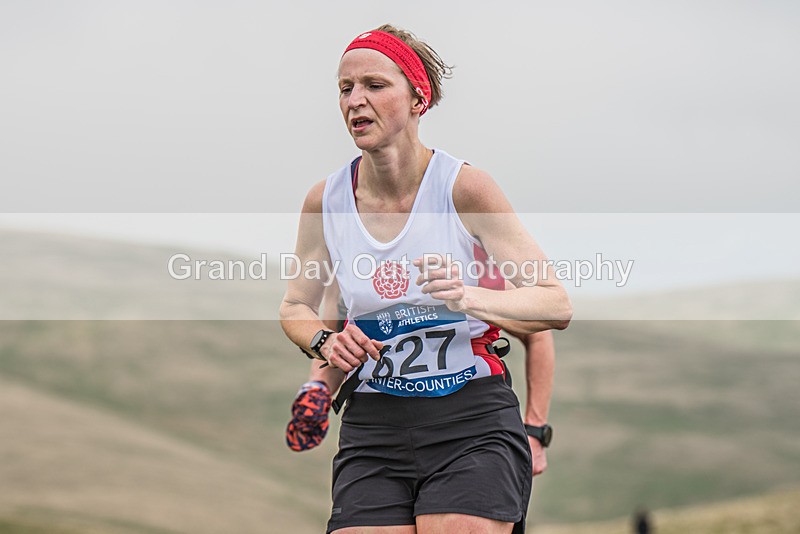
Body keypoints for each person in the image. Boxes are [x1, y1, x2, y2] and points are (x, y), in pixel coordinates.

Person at [279, 24, 572, 534]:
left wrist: (468, 296)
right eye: (345, 88)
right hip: (374, 425)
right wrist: (326, 344)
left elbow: (554, 305)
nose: (355, 100)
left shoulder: (465, 189)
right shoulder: (324, 203)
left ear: (418, 97)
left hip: (471, 420)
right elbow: (295, 307)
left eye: (374, 85)